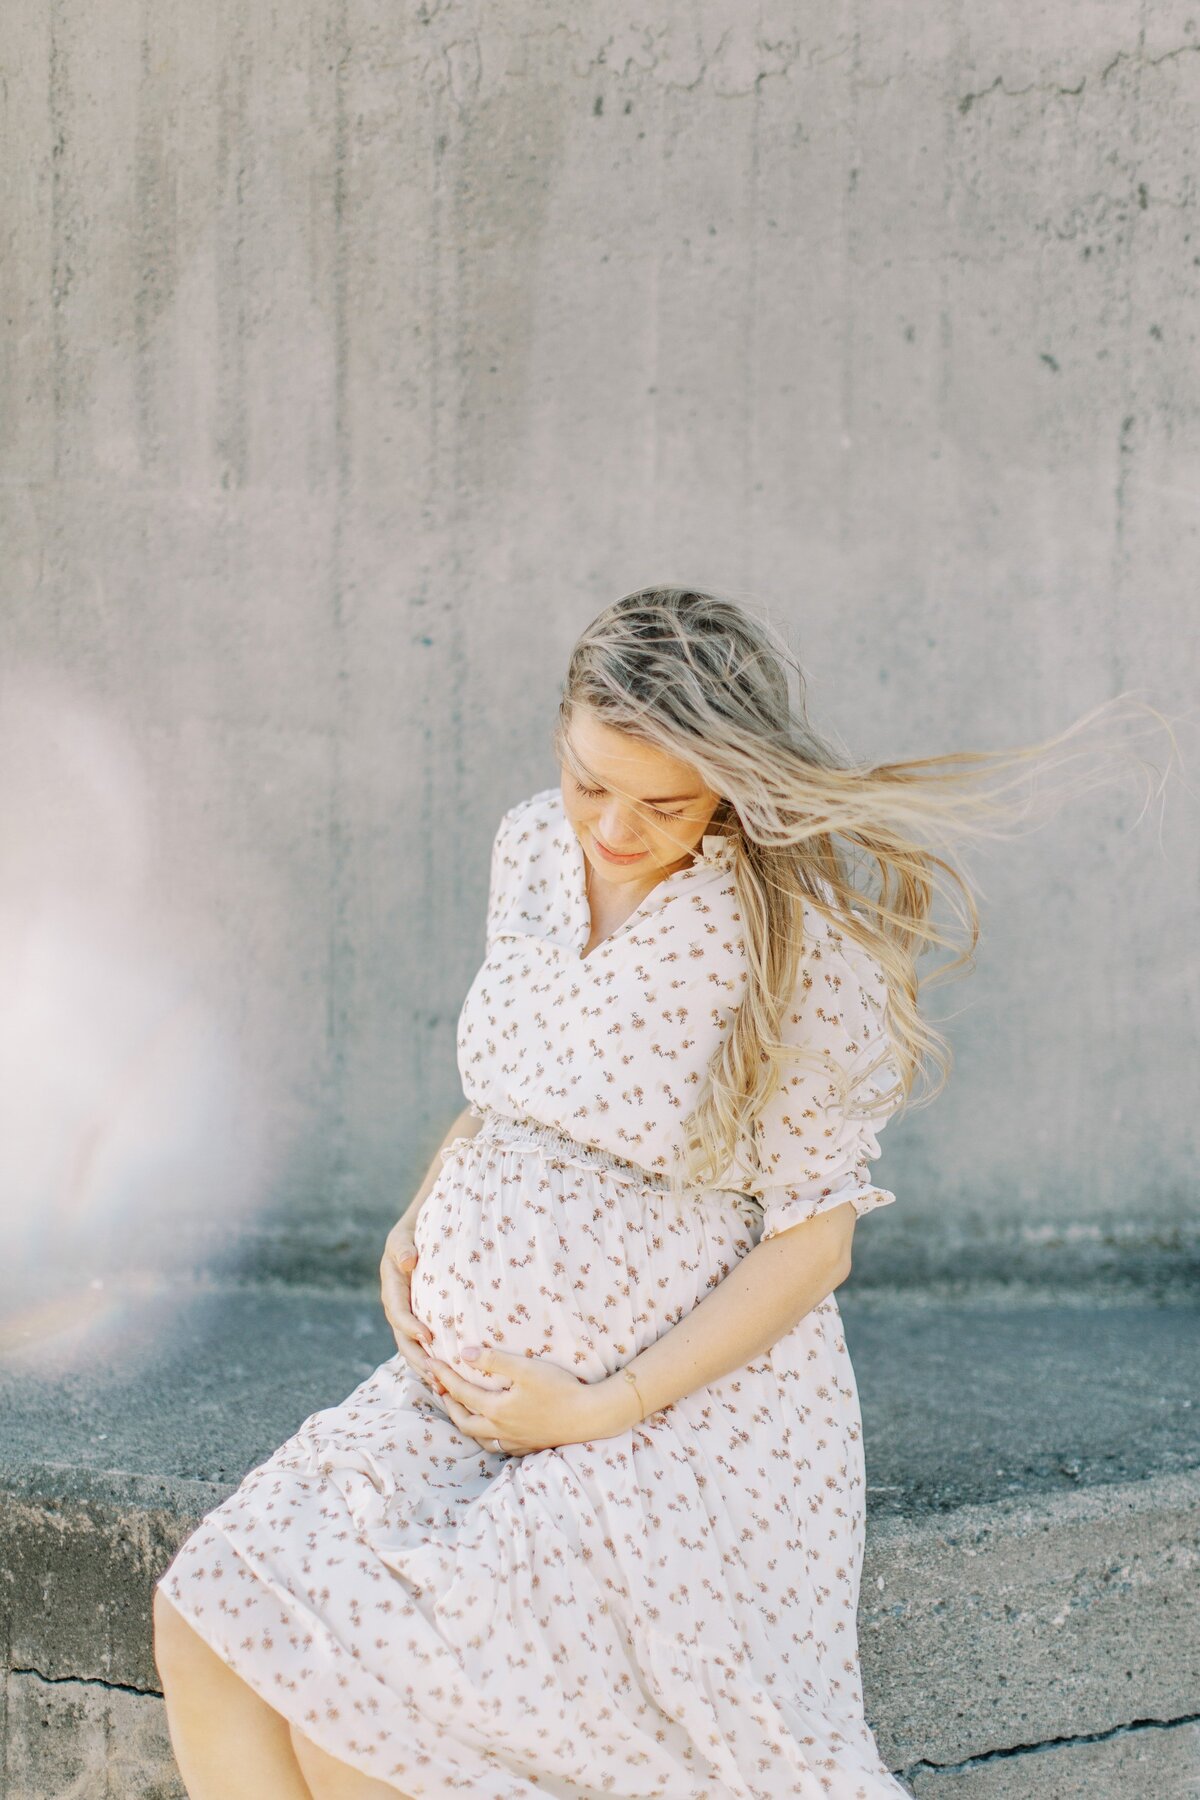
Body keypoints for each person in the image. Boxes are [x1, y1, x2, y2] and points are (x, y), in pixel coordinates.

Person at [152, 586, 1167, 1798]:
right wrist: (424, 1212)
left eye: (665, 802)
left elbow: (817, 1243)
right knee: (205, 1622)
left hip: (670, 1414)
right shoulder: (533, 844)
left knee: (363, 1712)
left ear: (734, 782)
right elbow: (520, 1086)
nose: (616, 829)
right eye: (593, 782)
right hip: (469, 1394)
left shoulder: (802, 944)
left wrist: (598, 1407)